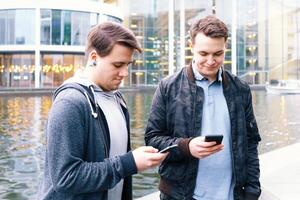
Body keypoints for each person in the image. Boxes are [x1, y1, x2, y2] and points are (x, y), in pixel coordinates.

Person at [38, 22, 167, 200]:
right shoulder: (69, 103)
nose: (125, 73)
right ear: (94, 57)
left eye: (128, 64)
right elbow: (65, 178)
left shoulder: (118, 99)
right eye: (118, 64)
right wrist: (129, 163)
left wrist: (134, 160)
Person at [145, 15, 261, 200]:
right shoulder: (168, 87)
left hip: (232, 195)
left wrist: (253, 191)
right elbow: (152, 140)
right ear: (191, 47)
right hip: (180, 195)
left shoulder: (241, 89)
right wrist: (186, 147)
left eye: (218, 54)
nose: (210, 61)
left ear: (226, 47)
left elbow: (250, 144)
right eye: (203, 54)